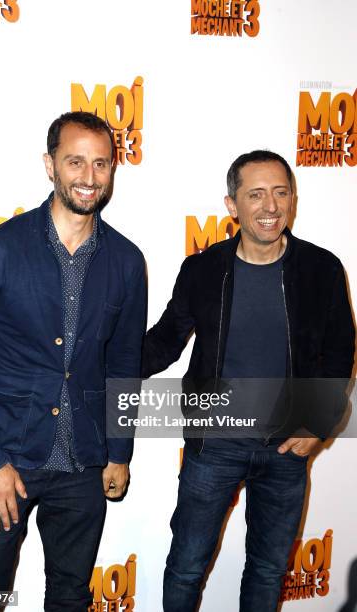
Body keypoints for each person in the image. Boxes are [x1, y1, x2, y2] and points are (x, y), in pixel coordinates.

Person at [0, 111, 146, 612]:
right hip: (6, 458)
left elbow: (124, 364)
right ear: (50, 165)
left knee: (70, 595)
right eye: (75, 161)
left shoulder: (126, 261)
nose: (88, 177)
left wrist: (119, 450)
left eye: (101, 163)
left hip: (83, 461)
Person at [142, 150, 355, 611]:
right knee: (186, 566)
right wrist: (100, 361)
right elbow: (165, 341)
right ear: (231, 204)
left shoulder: (321, 269)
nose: (270, 206)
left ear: (293, 199)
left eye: (280, 193)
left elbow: (340, 354)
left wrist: (317, 423)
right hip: (213, 447)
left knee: (267, 570)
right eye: (255, 194)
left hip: (286, 450)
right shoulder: (202, 269)